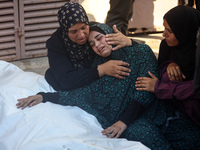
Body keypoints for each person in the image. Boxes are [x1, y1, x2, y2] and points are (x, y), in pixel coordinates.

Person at [17, 23, 200, 149]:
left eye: (99, 38)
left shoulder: (140, 52)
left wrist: (122, 122)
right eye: (92, 44)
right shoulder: (99, 70)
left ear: (110, 35)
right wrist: (44, 96)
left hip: (161, 114)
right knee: (148, 137)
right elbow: (81, 94)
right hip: (136, 124)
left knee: (193, 139)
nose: (97, 45)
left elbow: (145, 93)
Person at [44, 2, 133, 92]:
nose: (81, 35)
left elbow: (124, 51)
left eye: (83, 27)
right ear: (65, 31)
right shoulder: (55, 44)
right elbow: (66, 80)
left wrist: (128, 41)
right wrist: (101, 70)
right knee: (52, 76)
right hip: (77, 80)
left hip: (97, 79)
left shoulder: (95, 29)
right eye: (74, 32)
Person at [135, 5, 200, 127]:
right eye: (164, 28)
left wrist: (160, 88)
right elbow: (159, 70)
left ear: (185, 31)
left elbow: (195, 89)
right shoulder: (167, 46)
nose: (164, 34)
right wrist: (168, 65)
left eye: (170, 31)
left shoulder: (198, 51)